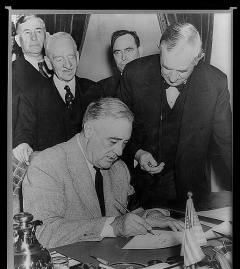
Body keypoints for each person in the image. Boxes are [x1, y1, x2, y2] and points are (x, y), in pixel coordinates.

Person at [22, 98, 184, 248]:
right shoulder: (47, 164)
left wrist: (151, 217)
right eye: (113, 141)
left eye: (124, 143)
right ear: (89, 130)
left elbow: (130, 215)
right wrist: (112, 227)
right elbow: (43, 232)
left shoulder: (118, 169)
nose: (119, 152)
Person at [119, 22, 232, 209]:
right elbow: (115, 129)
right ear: (159, 49)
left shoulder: (215, 83)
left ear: (198, 58)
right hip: (142, 193)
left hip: (193, 195)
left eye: (181, 71)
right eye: (166, 67)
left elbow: (227, 143)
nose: (172, 78)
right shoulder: (134, 73)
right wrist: (138, 153)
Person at [13, 32, 102, 165]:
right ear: (48, 63)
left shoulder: (95, 90)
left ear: (77, 57)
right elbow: (24, 132)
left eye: (71, 57)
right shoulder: (31, 95)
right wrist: (23, 145)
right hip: (51, 171)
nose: (67, 65)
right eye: (59, 59)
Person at [12, 15, 52, 132]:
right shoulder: (12, 73)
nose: (34, 38)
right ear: (18, 41)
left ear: (46, 36)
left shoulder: (59, 66)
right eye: (27, 32)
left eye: (38, 31)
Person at [98, 30, 142, 97]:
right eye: (117, 52)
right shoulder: (102, 88)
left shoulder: (157, 82)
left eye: (128, 50)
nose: (123, 58)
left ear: (140, 51)